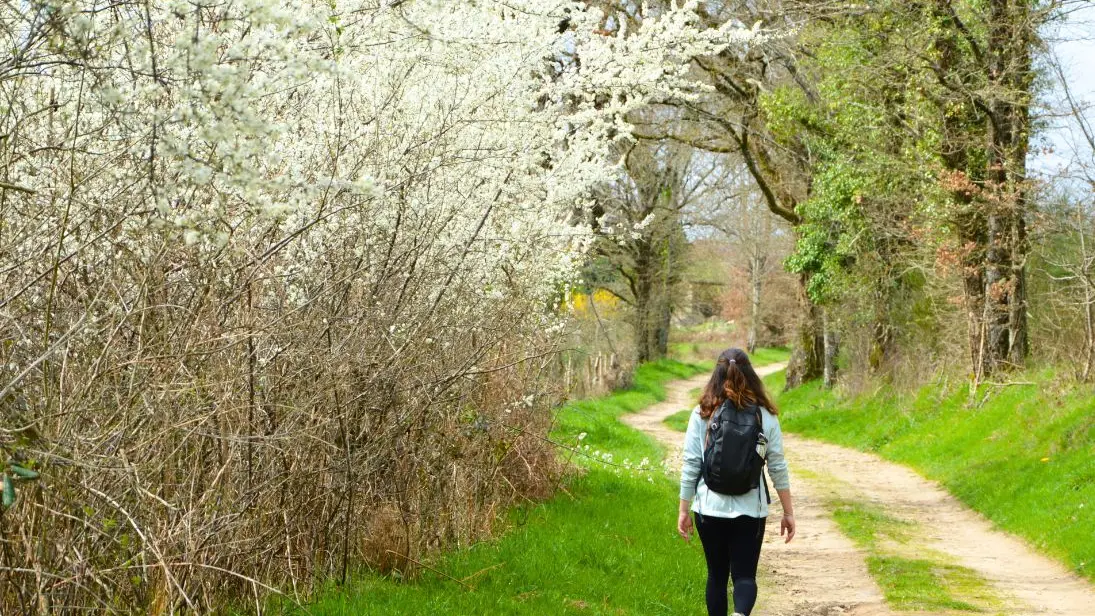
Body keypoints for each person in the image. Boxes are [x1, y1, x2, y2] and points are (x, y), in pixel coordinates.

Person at [677, 347, 796, 616]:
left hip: (709, 508)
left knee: (716, 577)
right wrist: (788, 512)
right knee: (744, 576)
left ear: (715, 374)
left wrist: (684, 509)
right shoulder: (765, 415)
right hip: (750, 510)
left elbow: (692, 464)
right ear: (751, 374)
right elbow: (777, 466)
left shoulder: (702, 413)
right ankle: (740, 614)